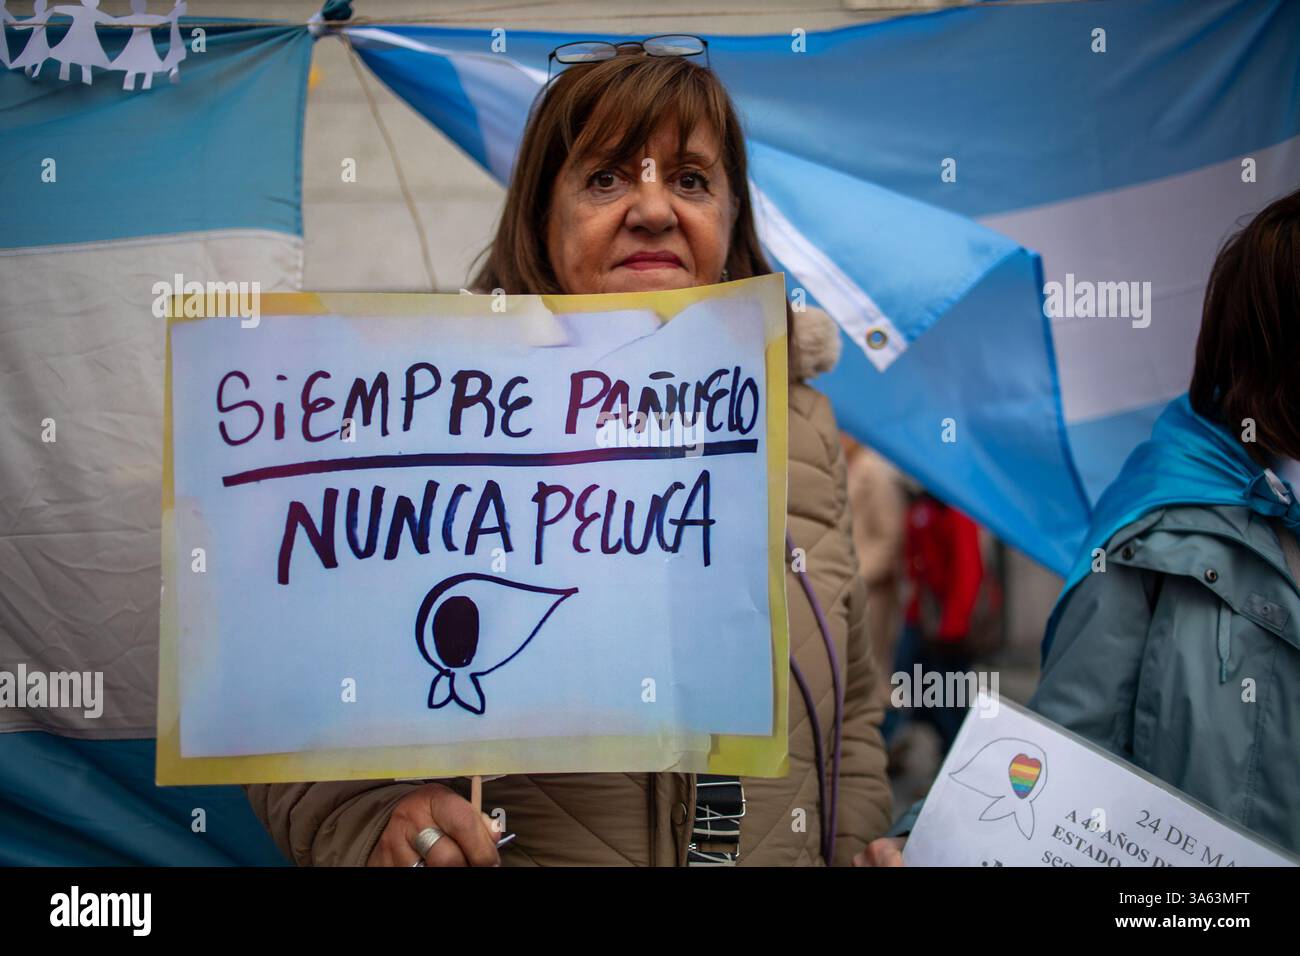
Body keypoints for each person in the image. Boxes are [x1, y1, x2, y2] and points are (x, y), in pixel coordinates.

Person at [246, 40, 892, 867]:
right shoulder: (422, 420)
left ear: (731, 223)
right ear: (542, 223)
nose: (655, 210)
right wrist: (373, 821)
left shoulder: (803, 430)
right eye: (607, 177)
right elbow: (284, 702)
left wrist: (858, 846)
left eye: (691, 180)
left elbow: (855, 716)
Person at [858, 187, 1300, 865]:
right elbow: (1067, 746)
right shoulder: (1156, 534)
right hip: (930, 620)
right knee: (928, 706)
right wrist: (934, 840)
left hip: (935, 616)